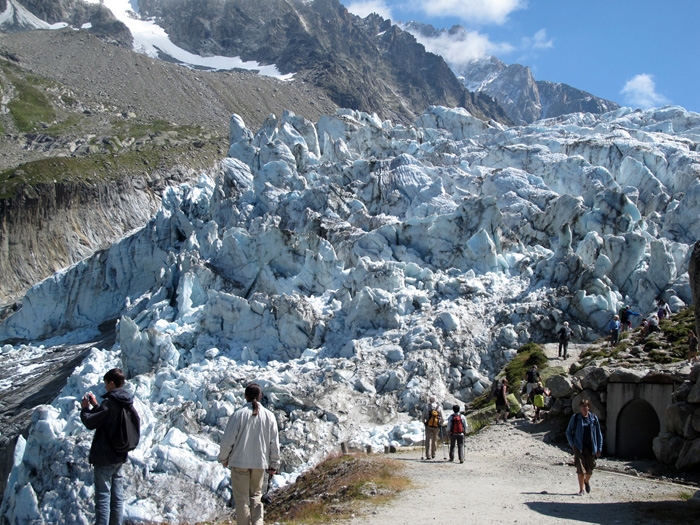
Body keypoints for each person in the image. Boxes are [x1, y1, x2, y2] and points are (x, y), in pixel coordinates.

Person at [80, 368, 138, 525]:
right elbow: (109, 418)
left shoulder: (111, 403)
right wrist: (96, 405)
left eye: (106, 383)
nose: (105, 387)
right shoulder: (126, 401)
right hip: (120, 455)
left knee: (103, 498)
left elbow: (90, 422)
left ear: (112, 383)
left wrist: (85, 408)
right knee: (117, 497)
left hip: (105, 457)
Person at [218, 383, 280, 525]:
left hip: (239, 462)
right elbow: (274, 443)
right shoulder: (269, 416)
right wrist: (274, 463)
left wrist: (223, 458)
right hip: (260, 463)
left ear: (245, 396)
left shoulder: (238, 414)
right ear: (260, 396)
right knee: (256, 496)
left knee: (242, 499)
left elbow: (228, 440)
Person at [566, 399, 603, 496]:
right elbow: (568, 431)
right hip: (578, 447)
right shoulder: (576, 418)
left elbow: (599, 434)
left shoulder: (593, 418)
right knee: (580, 469)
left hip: (591, 448)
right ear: (580, 408)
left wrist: (599, 448)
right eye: (582, 406)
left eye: (585, 406)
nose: (584, 408)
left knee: (590, 470)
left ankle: (586, 481)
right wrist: (572, 444)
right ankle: (581, 490)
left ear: (588, 407)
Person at [422, 395, 444, 459]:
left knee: (428, 440)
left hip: (428, 426)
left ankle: (428, 455)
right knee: (434, 439)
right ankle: (433, 454)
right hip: (436, 426)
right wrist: (440, 424)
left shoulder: (426, 407)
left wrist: (425, 423)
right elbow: (443, 418)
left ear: (430, 400)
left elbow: (423, 417)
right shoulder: (439, 408)